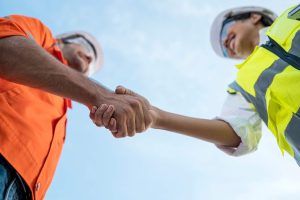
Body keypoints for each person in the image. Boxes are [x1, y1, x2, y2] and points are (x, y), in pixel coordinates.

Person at [94, 5, 300, 167]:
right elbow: (235, 132)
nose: (224, 43)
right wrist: (157, 117)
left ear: (254, 17)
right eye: (224, 50)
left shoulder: (290, 16)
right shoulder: (243, 86)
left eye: (226, 30)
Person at [0, 15, 152, 200]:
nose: (89, 58)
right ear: (63, 40)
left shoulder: (63, 114)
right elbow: (4, 47)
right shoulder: (41, 35)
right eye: (86, 46)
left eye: (93, 65)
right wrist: (99, 94)